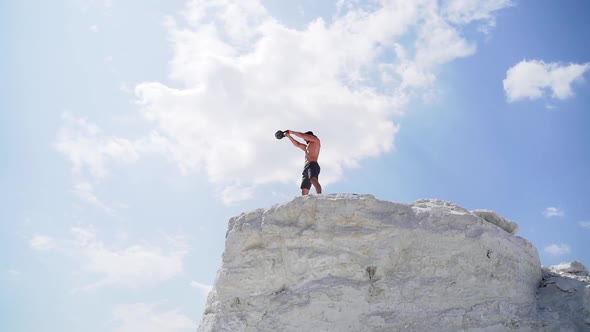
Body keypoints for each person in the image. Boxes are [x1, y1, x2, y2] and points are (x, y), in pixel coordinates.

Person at [285, 130, 322, 195]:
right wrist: (289, 136)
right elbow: (297, 144)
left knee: (313, 179)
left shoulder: (316, 140)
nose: (304, 139)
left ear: (310, 136)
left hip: (313, 164)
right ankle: (304, 203)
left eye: (305, 138)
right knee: (304, 188)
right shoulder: (307, 147)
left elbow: (302, 135)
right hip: (306, 167)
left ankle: (319, 195)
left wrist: (291, 132)